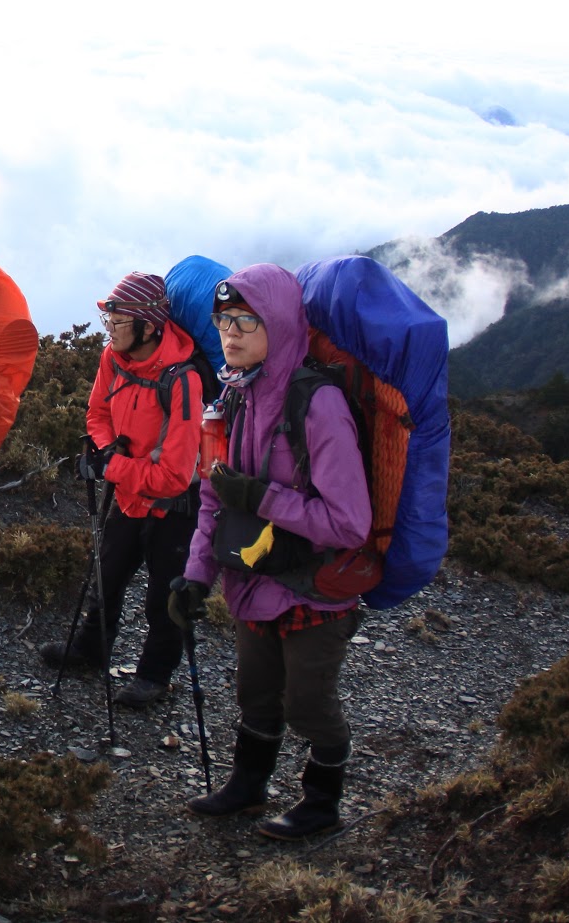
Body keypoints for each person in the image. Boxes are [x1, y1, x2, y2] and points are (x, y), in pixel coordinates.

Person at [168, 264, 371, 840]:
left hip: (315, 586)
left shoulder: (319, 405)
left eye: (245, 321)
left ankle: (321, 804)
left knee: (308, 703)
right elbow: (213, 501)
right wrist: (195, 578)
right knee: (255, 693)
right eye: (222, 321)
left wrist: (263, 498)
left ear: (278, 325)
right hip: (253, 579)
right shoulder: (233, 397)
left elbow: (350, 523)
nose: (229, 334)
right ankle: (248, 786)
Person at [39, 272, 203, 708]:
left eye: (118, 320)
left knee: (164, 595)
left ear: (149, 326)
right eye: (108, 319)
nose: (108, 329)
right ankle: (92, 648)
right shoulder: (114, 358)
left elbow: (174, 475)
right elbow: (97, 411)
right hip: (130, 494)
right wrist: (109, 446)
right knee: (105, 574)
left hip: (174, 507)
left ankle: (154, 676)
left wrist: (112, 465)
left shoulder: (183, 382)